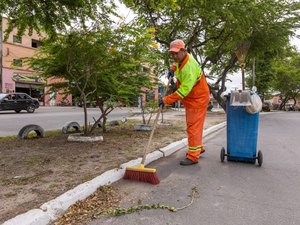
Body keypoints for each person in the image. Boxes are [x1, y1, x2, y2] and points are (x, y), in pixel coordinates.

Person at [160, 39, 210, 166]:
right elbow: (177, 66)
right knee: (192, 125)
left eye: (176, 53)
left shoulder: (189, 68)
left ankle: (193, 156)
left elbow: (183, 91)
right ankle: (198, 147)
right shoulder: (182, 60)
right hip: (192, 99)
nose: (174, 56)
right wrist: (172, 69)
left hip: (197, 100)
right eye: (172, 54)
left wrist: (166, 100)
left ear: (184, 51)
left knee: (193, 127)